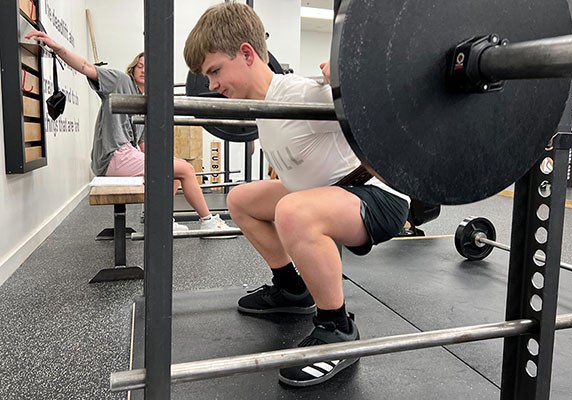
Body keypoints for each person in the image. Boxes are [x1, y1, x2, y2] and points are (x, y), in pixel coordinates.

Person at [184, 3, 411, 387]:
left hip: (376, 196)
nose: (211, 86)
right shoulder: (263, 106)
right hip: (323, 191)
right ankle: (292, 289)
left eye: (215, 71)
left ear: (246, 53)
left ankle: (337, 329)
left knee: (292, 211)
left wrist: (347, 82)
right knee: (241, 199)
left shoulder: (300, 95)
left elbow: (383, 108)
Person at [25, 30, 229, 232]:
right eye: (139, 66)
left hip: (126, 156)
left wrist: (167, 159)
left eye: (148, 67)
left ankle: (160, 220)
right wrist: (58, 48)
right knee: (186, 169)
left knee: (175, 172)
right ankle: (207, 220)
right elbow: (86, 66)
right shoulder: (120, 81)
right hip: (112, 156)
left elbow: (141, 146)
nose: (143, 69)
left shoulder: (146, 104)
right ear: (133, 69)